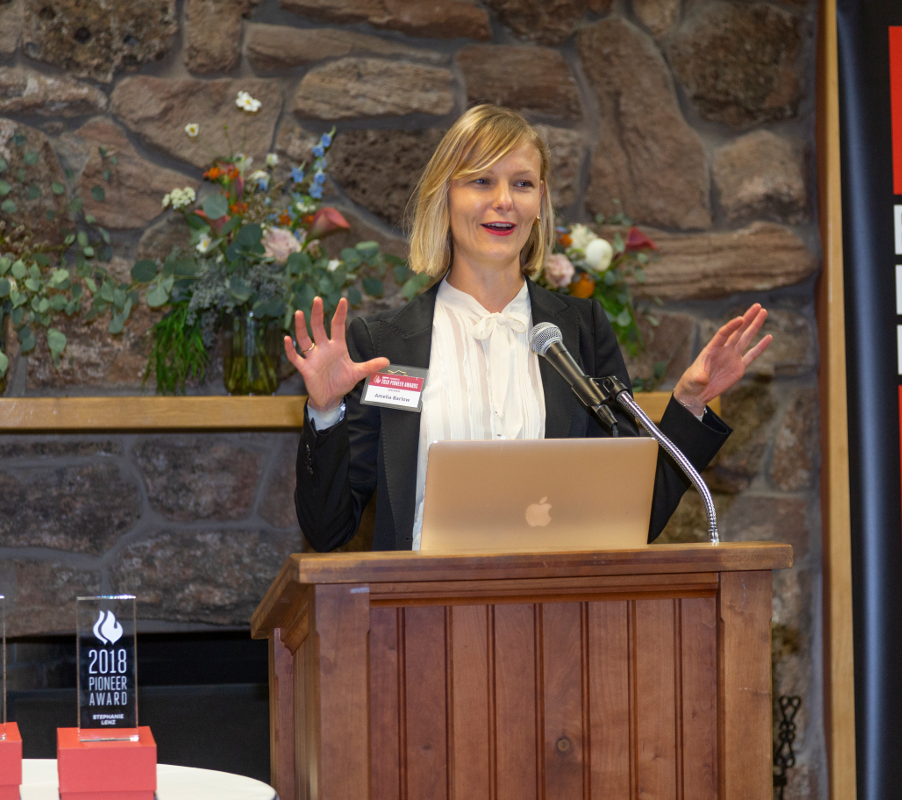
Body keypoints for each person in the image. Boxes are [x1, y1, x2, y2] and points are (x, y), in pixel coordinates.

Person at [287, 105, 771, 552]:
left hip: (557, 620)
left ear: (540, 201)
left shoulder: (579, 333)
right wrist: (325, 412)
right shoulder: (384, 346)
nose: (504, 202)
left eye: (522, 184)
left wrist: (687, 404)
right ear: (445, 196)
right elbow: (327, 531)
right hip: (416, 623)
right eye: (480, 181)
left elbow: (630, 517)